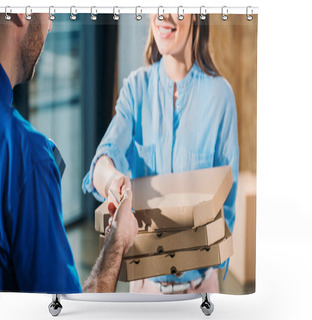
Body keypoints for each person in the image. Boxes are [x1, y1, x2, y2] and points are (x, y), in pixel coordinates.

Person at [83, 14, 239, 294]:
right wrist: (111, 179)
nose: (164, 13)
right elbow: (103, 160)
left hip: (201, 291)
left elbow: (226, 207)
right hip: (145, 291)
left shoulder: (221, 97)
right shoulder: (136, 89)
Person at [0, 13, 138, 293]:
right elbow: (69, 311)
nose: (50, 24)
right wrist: (117, 240)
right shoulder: (28, 156)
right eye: (48, 10)